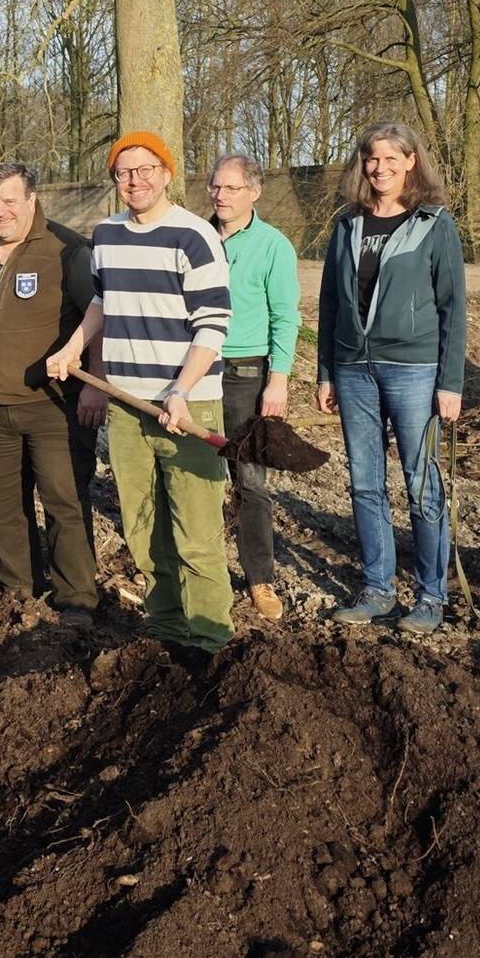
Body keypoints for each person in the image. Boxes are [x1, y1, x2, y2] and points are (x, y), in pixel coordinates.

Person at [48, 130, 234, 656]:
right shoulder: (105, 234)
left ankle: (210, 638)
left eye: (145, 169)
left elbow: (213, 326)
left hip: (186, 404)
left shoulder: (196, 236)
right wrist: (71, 348)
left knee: (196, 531)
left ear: (167, 173)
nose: (135, 180)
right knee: (143, 527)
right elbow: (101, 306)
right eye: (124, 172)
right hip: (127, 404)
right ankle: (167, 629)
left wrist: (180, 391)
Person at [316, 121, 467, 637]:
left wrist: (451, 383)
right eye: (371, 159)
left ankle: (430, 595)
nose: (379, 168)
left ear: (411, 162)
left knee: (422, 483)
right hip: (353, 368)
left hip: (414, 370)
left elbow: (453, 308)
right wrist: (325, 372)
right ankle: (378, 589)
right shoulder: (347, 225)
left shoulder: (434, 223)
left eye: (390, 159)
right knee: (364, 483)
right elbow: (330, 304)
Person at [0, 163, 99, 628]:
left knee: (64, 500)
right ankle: (20, 586)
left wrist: (94, 385)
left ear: (32, 200)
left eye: (11, 201)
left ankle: (77, 599)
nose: (1, 211)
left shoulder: (66, 249)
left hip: (53, 406)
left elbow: (99, 315)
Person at [207, 154, 301, 623]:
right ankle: (200, 571)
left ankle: (259, 577)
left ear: (254, 193)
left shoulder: (272, 245)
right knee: (196, 477)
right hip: (195, 372)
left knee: (250, 481)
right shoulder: (194, 237)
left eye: (231, 188)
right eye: (215, 188)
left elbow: (286, 316)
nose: (220, 196)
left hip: (247, 374)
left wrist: (278, 379)